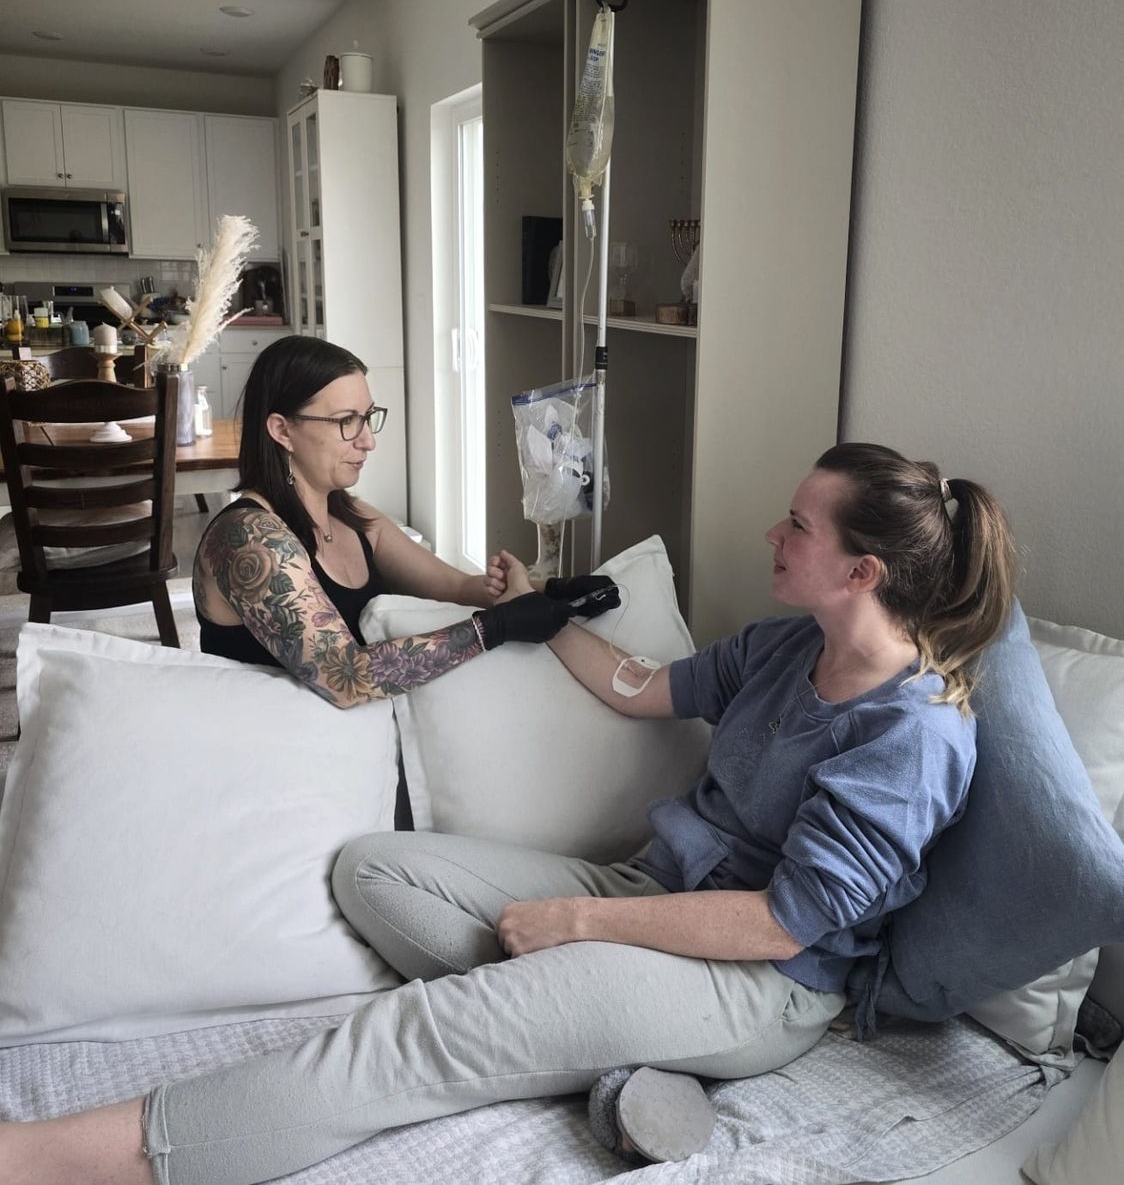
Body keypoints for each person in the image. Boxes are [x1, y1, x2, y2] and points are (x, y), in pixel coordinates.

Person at [0, 442, 1017, 1185]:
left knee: (426, 1032)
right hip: (654, 890)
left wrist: (576, 925)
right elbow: (637, 686)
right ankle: (608, 1055)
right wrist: (535, 612)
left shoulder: (912, 734)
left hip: (761, 983)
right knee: (373, 869)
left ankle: (72, 1155)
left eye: (798, 523)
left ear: (860, 570)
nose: (773, 532)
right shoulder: (784, 645)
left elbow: (778, 922)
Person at [190, 335, 619, 709]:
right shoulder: (248, 537)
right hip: (270, 758)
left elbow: (454, 587)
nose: (368, 440)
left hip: (349, 746)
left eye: (368, 416)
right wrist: (496, 628)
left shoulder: (355, 516)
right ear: (282, 431)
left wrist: (549, 589)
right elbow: (347, 678)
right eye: (346, 422)